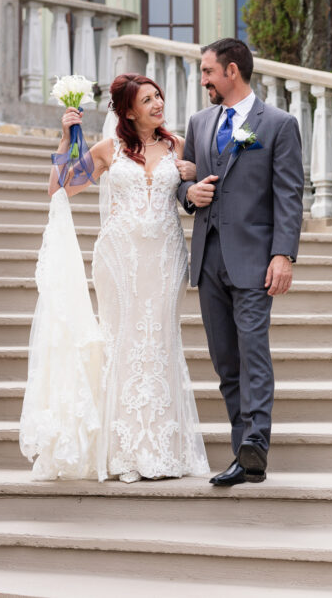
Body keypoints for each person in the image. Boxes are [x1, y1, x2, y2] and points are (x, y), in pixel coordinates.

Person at [25, 73, 210, 483]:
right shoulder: (110, 149)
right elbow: (60, 187)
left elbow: (194, 189)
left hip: (164, 257)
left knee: (159, 339)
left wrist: (191, 173)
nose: (158, 103)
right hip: (118, 260)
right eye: (148, 100)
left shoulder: (178, 145)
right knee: (122, 340)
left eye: (158, 96)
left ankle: (161, 447)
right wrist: (65, 139)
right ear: (128, 111)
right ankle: (121, 448)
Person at [176, 38, 303, 486]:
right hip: (208, 258)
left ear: (232, 71)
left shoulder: (280, 124)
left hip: (253, 259)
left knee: (253, 352)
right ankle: (243, 448)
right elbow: (182, 179)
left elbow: (289, 196)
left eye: (208, 71)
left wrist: (283, 254)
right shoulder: (199, 122)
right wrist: (188, 195)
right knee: (225, 359)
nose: (204, 79)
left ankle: (253, 447)